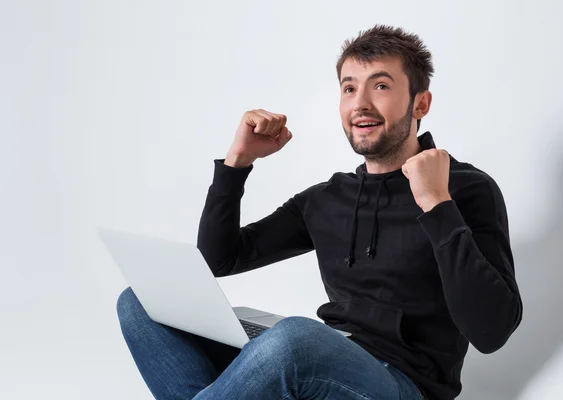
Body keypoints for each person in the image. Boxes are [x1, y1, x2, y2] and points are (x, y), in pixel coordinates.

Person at [116, 24, 523, 400]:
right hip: (322, 365)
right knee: (142, 302)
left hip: (401, 385)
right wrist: (236, 165)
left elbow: (491, 332)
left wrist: (437, 204)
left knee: (294, 340)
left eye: (380, 85)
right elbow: (219, 259)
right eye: (349, 89)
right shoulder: (327, 199)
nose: (360, 104)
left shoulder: (465, 190)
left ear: (421, 103)